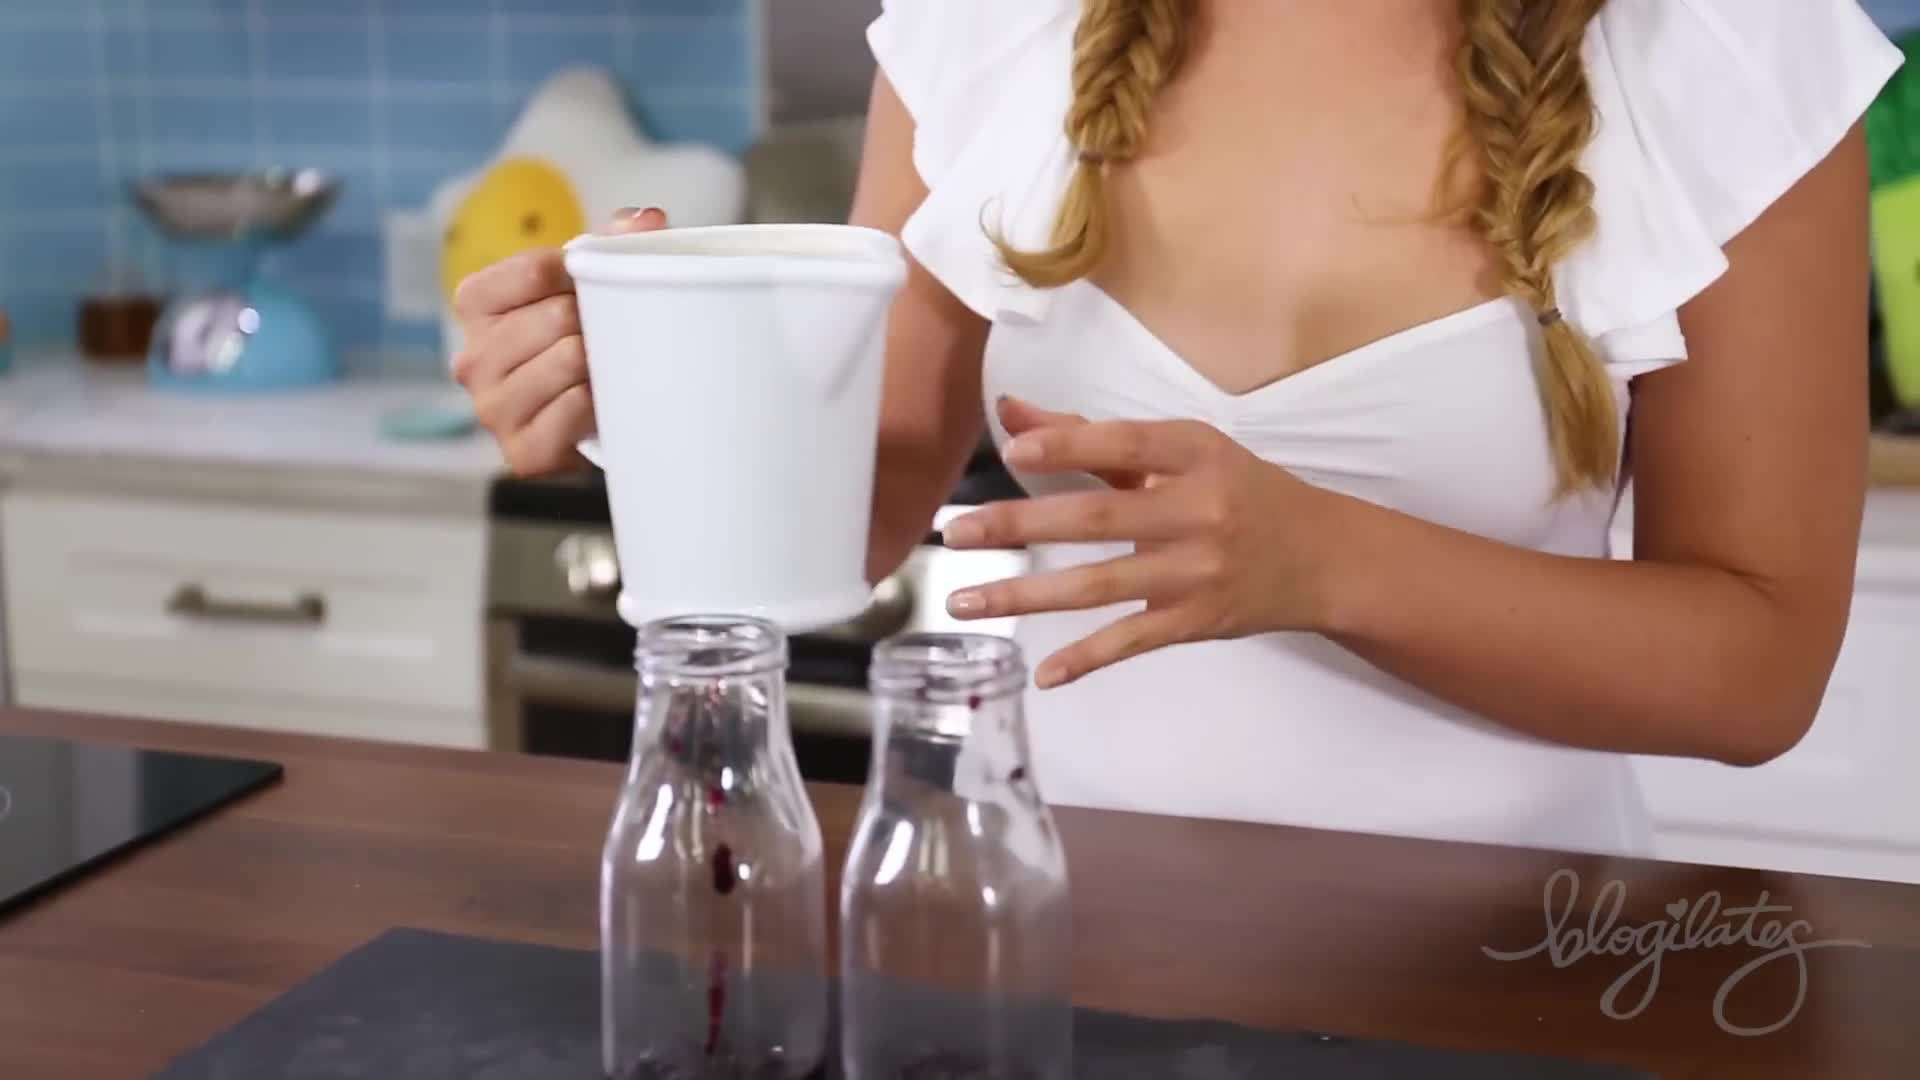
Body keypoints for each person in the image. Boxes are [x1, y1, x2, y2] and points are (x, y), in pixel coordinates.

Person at [451, 0, 1902, 857]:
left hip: (1514, 977)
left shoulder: (1722, 47)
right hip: (1059, 945)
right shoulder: (998, 20)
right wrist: (655, 382)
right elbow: (860, 494)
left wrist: (1322, 560)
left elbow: (1759, 670)